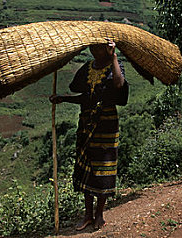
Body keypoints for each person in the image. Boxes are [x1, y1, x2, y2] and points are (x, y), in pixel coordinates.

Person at [49, 38, 128, 231]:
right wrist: (63, 99)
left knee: (103, 168)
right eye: (92, 47)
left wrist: (114, 58)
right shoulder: (88, 68)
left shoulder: (115, 67)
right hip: (86, 124)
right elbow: (84, 95)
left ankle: (99, 214)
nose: (94, 50)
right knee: (87, 167)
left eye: (99, 47)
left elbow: (119, 85)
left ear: (106, 49)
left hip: (106, 125)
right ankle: (87, 214)